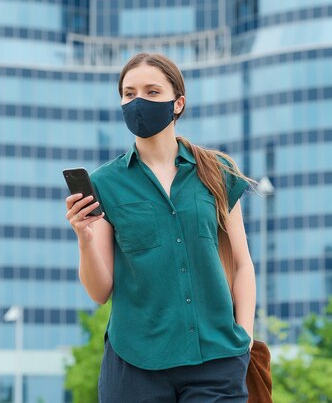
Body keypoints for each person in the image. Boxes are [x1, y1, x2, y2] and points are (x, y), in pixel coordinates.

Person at [65, 52, 257, 403]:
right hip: (135, 365)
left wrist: (243, 339)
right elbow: (100, 291)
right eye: (129, 93)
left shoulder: (216, 172)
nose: (138, 101)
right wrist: (84, 239)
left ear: (178, 103)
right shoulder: (105, 183)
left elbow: (243, 264)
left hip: (217, 361)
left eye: (152, 92)